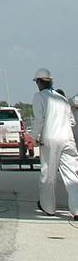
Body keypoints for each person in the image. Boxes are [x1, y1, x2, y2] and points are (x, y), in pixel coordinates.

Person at [31, 67, 78, 218]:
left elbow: (39, 120)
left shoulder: (39, 97)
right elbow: (72, 121)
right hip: (67, 139)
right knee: (72, 176)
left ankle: (49, 208)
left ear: (38, 82)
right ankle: (77, 210)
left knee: (48, 175)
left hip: (50, 139)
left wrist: (33, 137)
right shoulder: (62, 99)